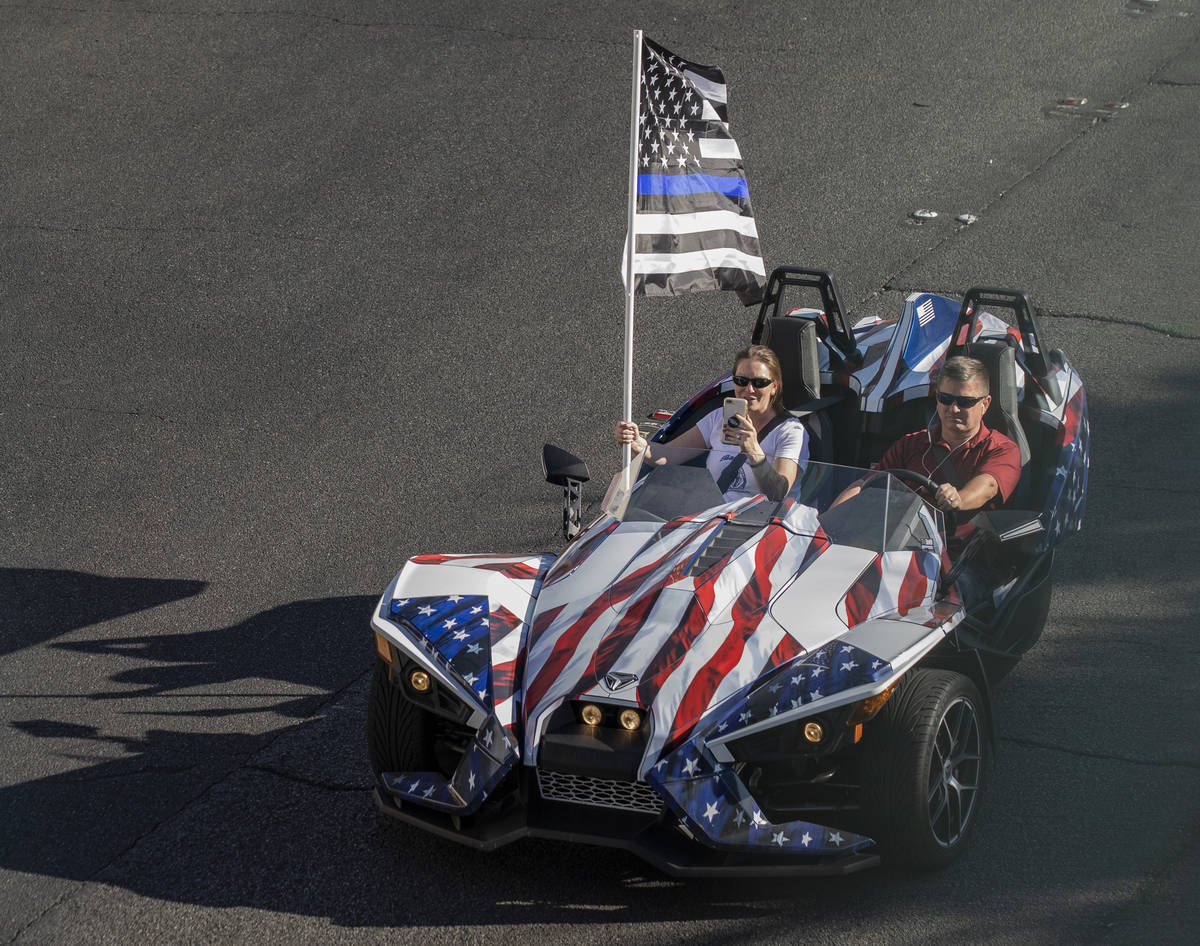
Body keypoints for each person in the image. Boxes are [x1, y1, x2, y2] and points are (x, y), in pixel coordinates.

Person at [835, 355, 1021, 524]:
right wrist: (828, 522)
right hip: (897, 542)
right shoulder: (910, 444)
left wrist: (959, 499)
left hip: (958, 552)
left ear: (985, 404)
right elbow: (865, 484)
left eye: (964, 402)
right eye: (945, 399)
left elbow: (987, 485)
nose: (953, 409)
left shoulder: (1002, 449)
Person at [613, 345, 809, 502]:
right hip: (718, 520)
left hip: (766, 528)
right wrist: (638, 443)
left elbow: (778, 492)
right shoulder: (719, 418)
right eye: (741, 381)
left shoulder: (790, 431)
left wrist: (752, 449)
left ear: (774, 387)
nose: (749, 389)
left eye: (759, 383)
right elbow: (670, 455)